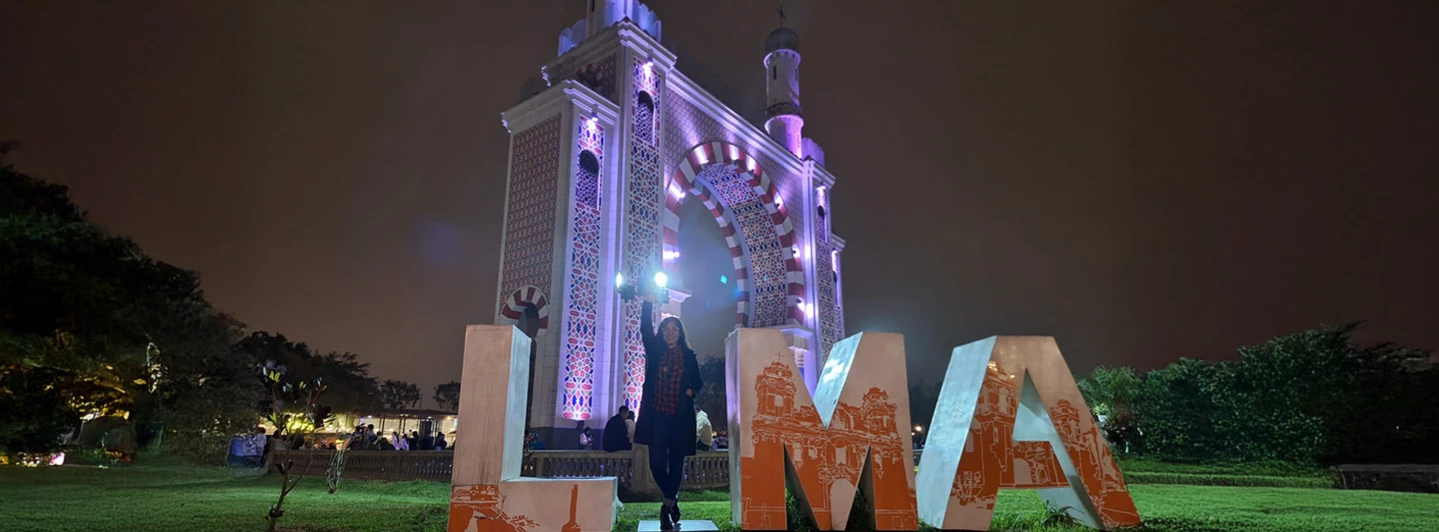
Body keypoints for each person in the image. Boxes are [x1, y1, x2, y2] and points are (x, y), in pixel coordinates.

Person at [632, 296, 703, 530]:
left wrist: (692, 391)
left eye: (675, 329)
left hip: (680, 419)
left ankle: (666, 506)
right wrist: (648, 303)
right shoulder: (655, 352)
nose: (671, 333)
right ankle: (673, 500)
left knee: (676, 462)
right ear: (662, 333)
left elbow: (699, 383)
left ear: (680, 333)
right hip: (658, 417)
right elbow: (644, 328)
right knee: (657, 462)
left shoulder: (689, 357)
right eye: (666, 329)